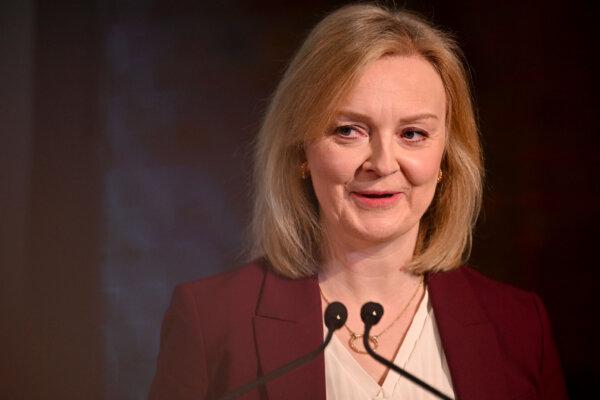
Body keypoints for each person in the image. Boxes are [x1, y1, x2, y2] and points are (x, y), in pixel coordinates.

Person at [149, 3, 568, 400]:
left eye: (413, 134)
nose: (383, 164)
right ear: (302, 154)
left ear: (445, 159)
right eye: (349, 130)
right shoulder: (213, 321)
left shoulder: (518, 324)